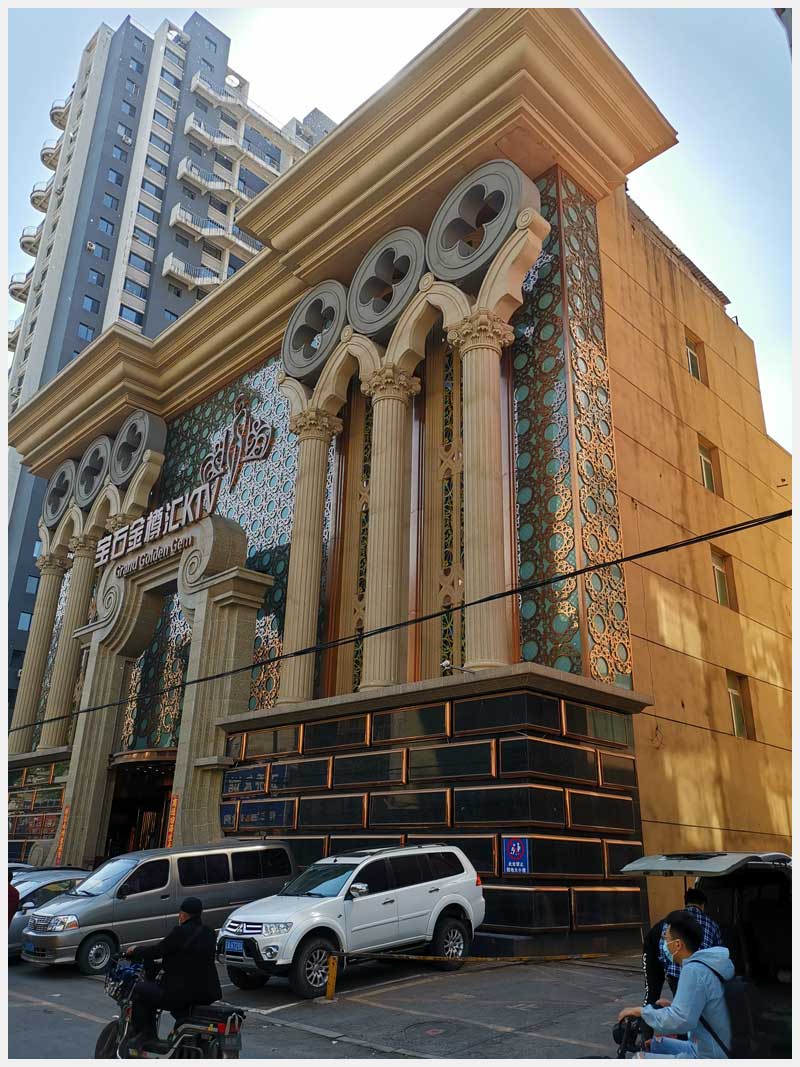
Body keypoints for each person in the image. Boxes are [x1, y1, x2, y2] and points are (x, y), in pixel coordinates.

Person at [619, 909, 734, 1058]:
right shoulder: (705, 965)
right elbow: (697, 1008)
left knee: (638, 1059)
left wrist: (641, 1011)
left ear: (678, 944)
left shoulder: (693, 971)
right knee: (656, 1044)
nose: (664, 945)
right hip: (711, 1045)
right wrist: (673, 1006)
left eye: (666, 940)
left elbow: (680, 1021)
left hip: (710, 1055)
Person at [126, 896, 222, 1047]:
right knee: (174, 1003)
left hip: (181, 993)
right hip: (207, 993)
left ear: (182, 915)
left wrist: (135, 950)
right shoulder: (209, 933)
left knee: (140, 991)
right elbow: (188, 959)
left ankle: (145, 1035)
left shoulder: (180, 932)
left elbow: (157, 950)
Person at [642, 887, 723, 1004]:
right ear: (703, 905)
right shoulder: (712, 925)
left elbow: (663, 948)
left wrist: (667, 969)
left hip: (675, 974)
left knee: (681, 1004)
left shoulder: (672, 921)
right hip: (701, 975)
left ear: (686, 902)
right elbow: (717, 955)